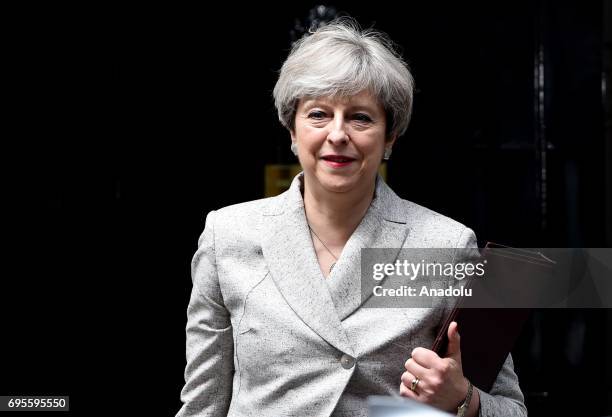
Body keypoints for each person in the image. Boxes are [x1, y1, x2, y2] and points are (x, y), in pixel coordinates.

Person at [176, 18, 527, 417]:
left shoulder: (446, 245)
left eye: (361, 117)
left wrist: (463, 399)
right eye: (318, 114)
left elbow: (511, 409)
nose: (338, 134)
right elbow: (202, 404)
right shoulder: (229, 235)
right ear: (292, 130)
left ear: (390, 136)